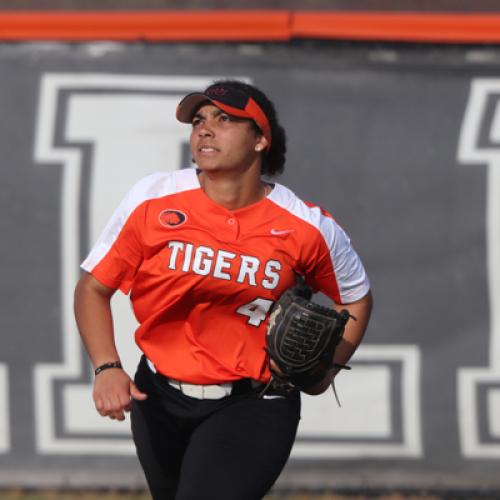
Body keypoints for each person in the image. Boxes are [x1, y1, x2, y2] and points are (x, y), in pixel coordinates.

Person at [74, 79, 373, 500]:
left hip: (254, 401)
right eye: (199, 120)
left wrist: (324, 371)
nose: (205, 129)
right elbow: (93, 288)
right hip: (157, 395)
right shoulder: (154, 200)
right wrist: (107, 367)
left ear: (261, 139)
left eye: (225, 118)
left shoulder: (307, 226)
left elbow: (356, 296)